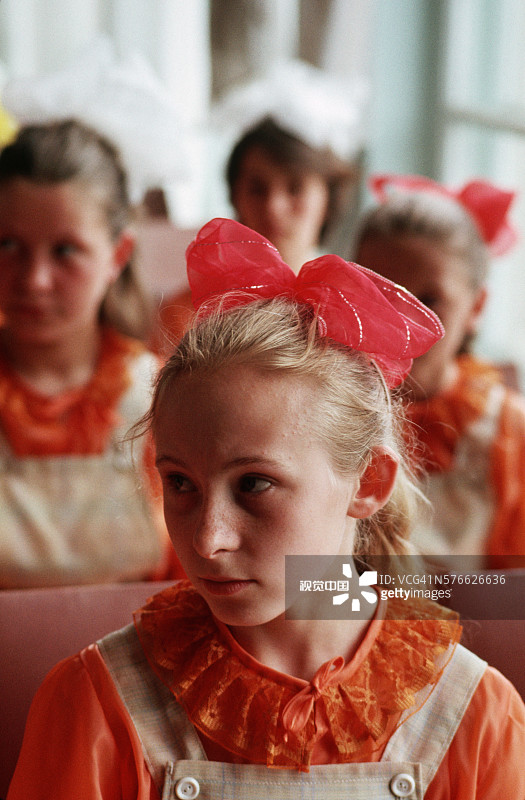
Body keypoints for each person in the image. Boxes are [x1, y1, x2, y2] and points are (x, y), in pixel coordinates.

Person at [8, 218, 525, 798]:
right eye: (180, 484)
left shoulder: (472, 715)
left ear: (369, 483)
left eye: (254, 484)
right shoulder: (100, 701)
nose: (208, 540)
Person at [0, 119, 184, 587]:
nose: (34, 279)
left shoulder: (163, 402)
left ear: (118, 255)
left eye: (65, 250)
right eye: (9, 245)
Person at [354, 173, 525, 569]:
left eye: (429, 299)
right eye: (383, 294)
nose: (403, 323)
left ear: (476, 307)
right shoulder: (320, 409)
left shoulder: (507, 434)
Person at [151, 60, 363, 354]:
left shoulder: (357, 313)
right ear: (235, 196)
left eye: (295, 188)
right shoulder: (188, 314)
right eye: (257, 189)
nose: (274, 207)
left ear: (329, 197)